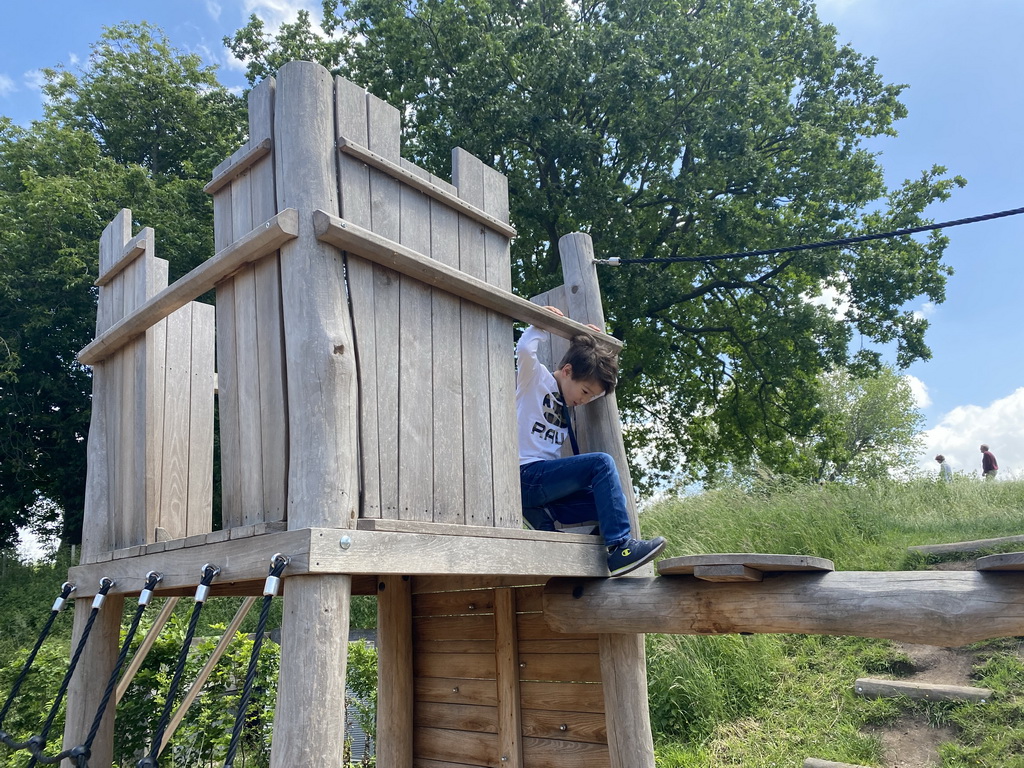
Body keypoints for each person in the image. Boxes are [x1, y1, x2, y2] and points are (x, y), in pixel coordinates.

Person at [516, 308, 666, 577]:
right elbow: (526, 349)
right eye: (584, 392)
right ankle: (620, 547)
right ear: (567, 370)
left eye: (589, 396)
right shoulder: (534, 379)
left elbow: (607, 384)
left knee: (611, 500)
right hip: (526, 475)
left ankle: (548, 520)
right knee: (601, 464)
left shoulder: (572, 397)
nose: (585, 400)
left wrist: (594, 345)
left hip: (544, 490)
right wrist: (544, 323)